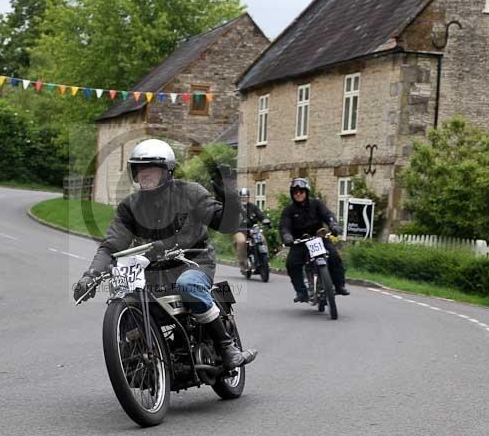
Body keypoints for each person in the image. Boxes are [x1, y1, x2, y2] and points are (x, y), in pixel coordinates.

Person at [73, 139, 257, 369]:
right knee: (124, 295)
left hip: (192, 262)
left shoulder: (190, 193)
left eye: (151, 170)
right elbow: (111, 246)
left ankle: (226, 346)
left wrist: (228, 193)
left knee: (188, 285)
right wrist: (91, 275)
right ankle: (133, 354)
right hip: (152, 271)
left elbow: (227, 224)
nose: (145, 175)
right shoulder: (129, 207)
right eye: (140, 170)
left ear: (167, 172)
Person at [279, 178, 350, 303]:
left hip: (319, 238)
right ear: (292, 194)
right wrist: (287, 236)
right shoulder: (289, 210)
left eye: (301, 191)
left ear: (306, 192)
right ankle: (301, 292)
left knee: (334, 257)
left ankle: (339, 286)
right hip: (300, 241)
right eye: (295, 192)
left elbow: (328, 215)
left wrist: (334, 225)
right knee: (291, 264)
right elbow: (284, 226)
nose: (298, 194)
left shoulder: (316, 204)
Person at [234, 188, 272, 272]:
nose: (244, 198)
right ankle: (242, 263)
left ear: (249, 197)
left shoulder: (253, 207)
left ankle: (266, 260)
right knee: (241, 241)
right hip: (240, 230)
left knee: (263, 239)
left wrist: (265, 220)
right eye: (242, 197)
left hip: (252, 230)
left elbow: (260, 214)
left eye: (246, 196)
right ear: (239, 198)